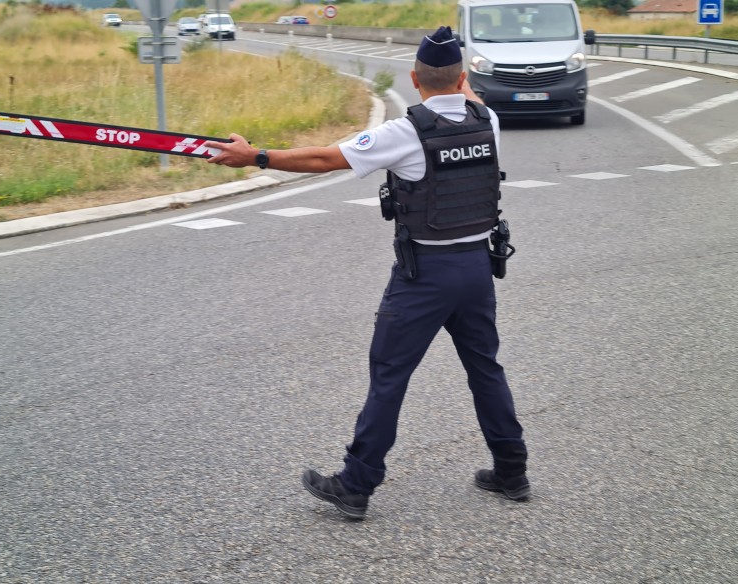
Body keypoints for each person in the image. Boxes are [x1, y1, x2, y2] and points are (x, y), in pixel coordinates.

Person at [205, 25, 529, 520]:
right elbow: (468, 98)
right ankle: (512, 471)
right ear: (463, 78)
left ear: (413, 80)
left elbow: (324, 158)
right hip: (476, 270)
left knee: (389, 375)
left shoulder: (405, 132)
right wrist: (459, 81)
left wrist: (256, 156)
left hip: (425, 276)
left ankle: (356, 484)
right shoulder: (489, 122)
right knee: (485, 369)